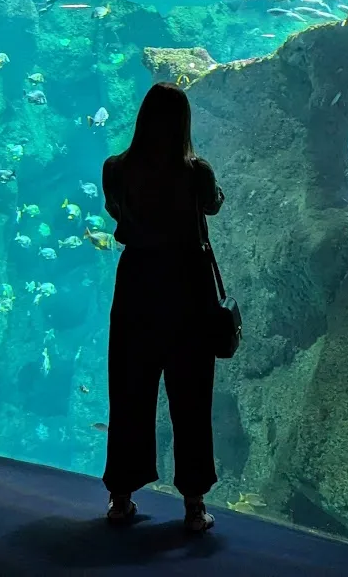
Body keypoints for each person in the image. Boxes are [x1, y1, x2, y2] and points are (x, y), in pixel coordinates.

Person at [100, 81, 224, 534]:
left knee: (130, 390)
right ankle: (193, 505)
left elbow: (118, 213)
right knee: (191, 394)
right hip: (187, 288)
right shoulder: (196, 171)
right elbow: (211, 206)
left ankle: (120, 498)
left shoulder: (115, 168)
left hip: (137, 285)